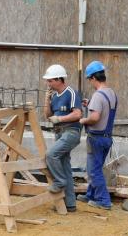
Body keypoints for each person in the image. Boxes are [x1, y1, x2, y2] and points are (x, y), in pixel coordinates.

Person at [77, 61, 118, 211]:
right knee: (96, 168)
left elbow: (95, 118)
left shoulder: (98, 95)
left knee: (93, 170)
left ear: (93, 78)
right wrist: (90, 104)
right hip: (107, 137)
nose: (90, 82)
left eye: (89, 79)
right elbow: (104, 109)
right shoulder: (111, 93)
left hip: (96, 138)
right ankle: (91, 195)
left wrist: (83, 120)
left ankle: (103, 201)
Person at [42, 64, 82, 213]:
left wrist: (59, 118)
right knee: (65, 168)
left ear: (59, 79)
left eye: (51, 81)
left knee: (51, 155)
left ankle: (59, 181)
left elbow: (78, 114)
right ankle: (70, 204)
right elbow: (47, 115)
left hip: (71, 131)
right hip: (59, 133)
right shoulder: (54, 95)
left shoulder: (71, 93)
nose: (48, 84)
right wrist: (47, 100)